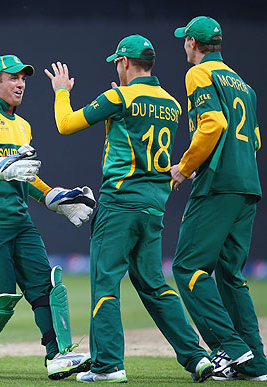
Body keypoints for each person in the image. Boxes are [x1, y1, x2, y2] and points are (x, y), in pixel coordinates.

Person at [45, 35, 214, 383]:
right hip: (154, 206)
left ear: (124, 63)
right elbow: (136, 129)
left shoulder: (118, 96)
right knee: (154, 284)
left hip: (120, 203)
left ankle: (108, 364)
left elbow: (66, 124)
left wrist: (62, 90)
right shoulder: (171, 103)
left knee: (105, 282)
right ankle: (197, 357)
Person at [0, 54, 95, 380]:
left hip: (19, 219)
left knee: (46, 284)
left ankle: (58, 355)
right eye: (13, 78)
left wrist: (52, 197)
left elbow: (25, 175)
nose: (20, 84)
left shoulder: (23, 125)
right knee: (1, 294)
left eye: (23, 79)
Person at [171, 16, 267, 382]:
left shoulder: (199, 74)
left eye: (185, 41)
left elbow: (212, 123)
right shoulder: (244, 85)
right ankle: (256, 364)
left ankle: (230, 347)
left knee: (187, 268)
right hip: (247, 184)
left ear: (193, 44)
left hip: (218, 184)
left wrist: (186, 165)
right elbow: (254, 139)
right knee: (231, 275)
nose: (184, 46)